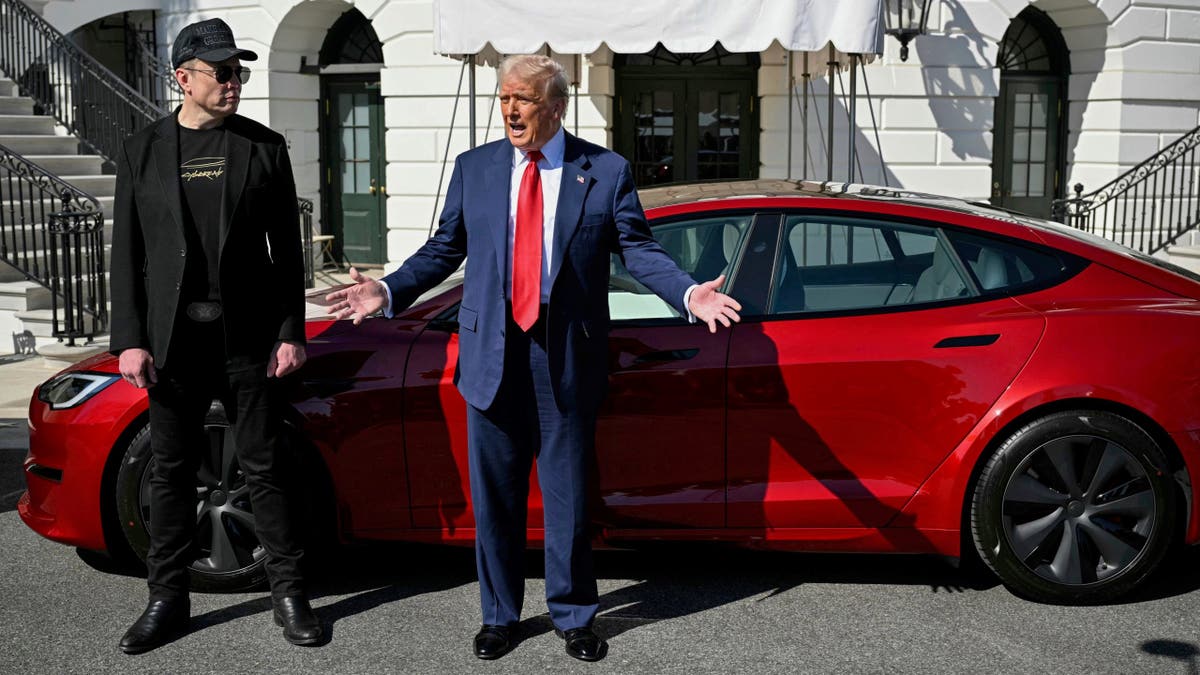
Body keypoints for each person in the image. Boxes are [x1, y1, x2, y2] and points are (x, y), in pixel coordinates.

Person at [325, 54, 741, 662]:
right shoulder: (477, 168)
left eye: (523, 99)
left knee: (567, 497)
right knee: (495, 496)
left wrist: (685, 291)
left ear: (557, 106)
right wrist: (388, 289)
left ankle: (574, 616)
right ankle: (499, 615)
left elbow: (638, 249)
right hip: (492, 350)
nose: (511, 111)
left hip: (564, 353)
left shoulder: (603, 169)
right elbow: (444, 248)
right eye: (503, 99)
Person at [109, 18, 320, 653]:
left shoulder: (262, 147)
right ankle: (167, 598)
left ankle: (289, 593)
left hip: (249, 338)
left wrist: (291, 330)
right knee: (171, 471)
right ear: (184, 78)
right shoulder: (141, 150)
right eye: (222, 72)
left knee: (265, 466)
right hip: (173, 344)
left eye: (239, 72)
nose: (234, 83)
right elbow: (128, 253)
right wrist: (130, 338)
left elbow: (288, 251)